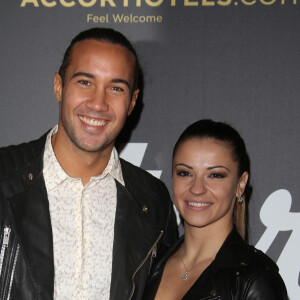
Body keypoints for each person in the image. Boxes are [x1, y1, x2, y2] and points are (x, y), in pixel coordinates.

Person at [0, 28, 177, 300]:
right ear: (59, 85)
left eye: (116, 88)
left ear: (132, 102)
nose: (98, 103)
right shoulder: (4, 177)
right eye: (85, 82)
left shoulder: (153, 202)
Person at [144, 119, 288, 299]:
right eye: (185, 173)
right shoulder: (147, 264)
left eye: (215, 175)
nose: (197, 188)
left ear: (240, 184)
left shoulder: (255, 281)